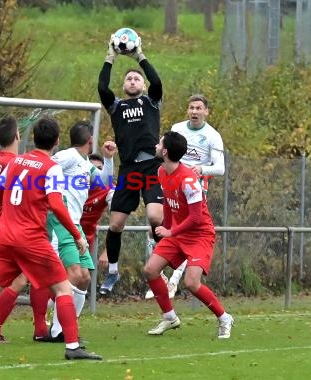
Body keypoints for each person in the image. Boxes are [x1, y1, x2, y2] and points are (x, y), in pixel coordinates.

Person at [0, 117, 102, 360]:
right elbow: (55, 204)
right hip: (31, 239)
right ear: (57, 141)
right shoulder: (50, 167)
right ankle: (73, 347)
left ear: (33, 138)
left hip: (6, 238)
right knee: (63, 289)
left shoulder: (15, 162)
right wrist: (76, 234)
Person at [143, 131, 234, 339]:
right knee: (150, 270)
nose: (156, 146)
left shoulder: (188, 180)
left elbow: (195, 218)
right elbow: (168, 203)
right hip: (177, 232)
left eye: (159, 144)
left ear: (165, 151)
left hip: (199, 234)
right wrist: (163, 227)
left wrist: (170, 230)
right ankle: (169, 317)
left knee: (191, 283)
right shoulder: (161, 171)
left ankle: (224, 318)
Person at [97, 35, 164, 295]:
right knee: (115, 225)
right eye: (129, 79)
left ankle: (163, 262)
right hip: (128, 169)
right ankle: (113, 271)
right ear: (124, 86)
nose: (133, 81)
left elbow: (157, 81)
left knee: (155, 217)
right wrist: (110, 57)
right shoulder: (117, 107)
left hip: (151, 167)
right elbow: (103, 88)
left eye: (137, 78)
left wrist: (140, 57)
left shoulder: (151, 102)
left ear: (143, 86)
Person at [147, 94, 224, 300]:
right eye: (191, 108)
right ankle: (161, 273)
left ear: (206, 111)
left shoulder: (212, 135)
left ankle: (174, 279)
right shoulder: (177, 129)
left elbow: (220, 168)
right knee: (155, 217)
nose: (194, 112)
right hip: (171, 176)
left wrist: (200, 168)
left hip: (194, 184)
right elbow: (166, 149)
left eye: (199, 108)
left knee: (187, 227)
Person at [45, 122, 116, 342]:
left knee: (85, 277)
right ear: (90, 141)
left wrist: (109, 158)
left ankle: (67, 327)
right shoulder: (67, 156)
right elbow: (46, 165)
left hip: (76, 226)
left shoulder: (85, 163)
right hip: (61, 222)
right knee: (73, 274)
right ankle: (57, 329)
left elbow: (105, 181)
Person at [0, 116, 50, 344]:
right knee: (21, 279)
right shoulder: (15, 163)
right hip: (10, 226)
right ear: (17, 136)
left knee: (35, 276)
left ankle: (40, 328)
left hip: (2, 223)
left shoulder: (0, 158)